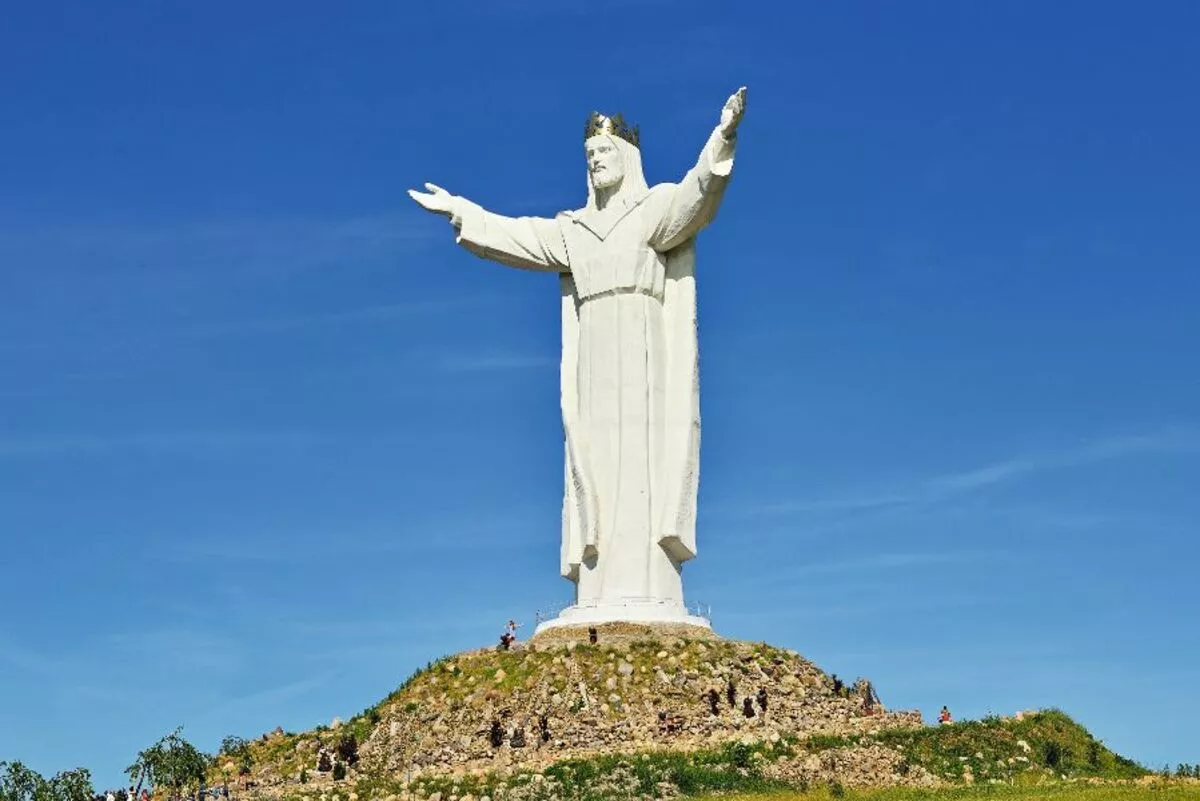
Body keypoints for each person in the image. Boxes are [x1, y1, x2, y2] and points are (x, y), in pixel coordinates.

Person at [408, 89, 746, 610]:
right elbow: (516, 236)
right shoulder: (574, 230)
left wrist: (722, 136)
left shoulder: (652, 211)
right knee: (593, 461)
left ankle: (650, 582)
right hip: (593, 353)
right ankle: (597, 584)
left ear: (626, 158)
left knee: (642, 461)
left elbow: (696, 197)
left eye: (604, 153)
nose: (595, 162)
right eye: (589, 156)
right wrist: (462, 211)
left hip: (642, 347)